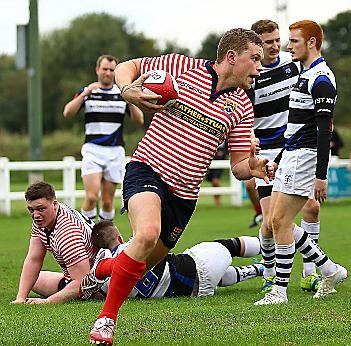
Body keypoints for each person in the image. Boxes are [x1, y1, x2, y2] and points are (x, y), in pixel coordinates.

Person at [80, 28, 270, 345]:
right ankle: (106, 321)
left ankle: (110, 265)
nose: (259, 67)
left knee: (139, 269)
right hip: (147, 171)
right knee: (146, 233)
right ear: (232, 57)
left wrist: (254, 166)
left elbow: (238, 167)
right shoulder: (182, 66)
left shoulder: (243, 107)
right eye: (255, 59)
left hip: (183, 199)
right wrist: (127, 90)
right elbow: (128, 66)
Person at [254, 20, 347, 306]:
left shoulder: (321, 78)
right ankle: (330, 270)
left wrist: (321, 175)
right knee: (276, 220)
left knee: (280, 220)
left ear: (311, 43)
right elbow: (295, 128)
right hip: (291, 155)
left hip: (305, 158)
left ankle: (279, 291)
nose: (287, 46)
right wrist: (279, 160)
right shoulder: (304, 74)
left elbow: (324, 132)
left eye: (293, 41)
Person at [248, 19, 326, 295]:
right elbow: (242, 114)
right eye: (267, 42)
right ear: (256, 44)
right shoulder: (252, 74)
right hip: (267, 154)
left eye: (277, 40)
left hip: (295, 150)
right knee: (271, 223)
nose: (275, 46)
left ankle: (310, 273)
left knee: (312, 209)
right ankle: (270, 275)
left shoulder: (293, 64)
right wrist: (249, 137)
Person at [80, 221, 263, 299]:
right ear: (119, 237)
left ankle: (262, 269)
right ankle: (273, 245)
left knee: (220, 277)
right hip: (198, 266)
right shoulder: (135, 246)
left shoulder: (104, 284)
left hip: (194, 291)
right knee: (227, 246)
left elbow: (87, 291)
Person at [63, 54, 144, 222]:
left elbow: (139, 120)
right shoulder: (89, 92)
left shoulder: (121, 94)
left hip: (115, 152)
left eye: (111, 70)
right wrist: (85, 93)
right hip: (93, 149)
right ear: (97, 70)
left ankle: (104, 237)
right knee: (92, 197)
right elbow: (67, 113)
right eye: (104, 69)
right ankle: (85, 232)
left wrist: (129, 98)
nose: (107, 73)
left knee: (108, 202)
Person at [11, 181, 98, 304]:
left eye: (41, 209)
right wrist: (20, 298)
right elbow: (34, 259)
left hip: (96, 282)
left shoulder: (67, 232)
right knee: (33, 280)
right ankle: (68, 286)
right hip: (78, 275)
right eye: (31, 210)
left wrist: (48, 301)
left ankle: (92, 293)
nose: (35, 215)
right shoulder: (44, 218)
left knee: (80, 282)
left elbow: (83, 281)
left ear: (54, 204)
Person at [206, 141, 228, 206]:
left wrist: (223, 153)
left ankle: (217, 201)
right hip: (208, 159)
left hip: (220, 160)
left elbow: (228, 147)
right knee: (212, 180)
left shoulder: (226, 135)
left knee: (215, 181)